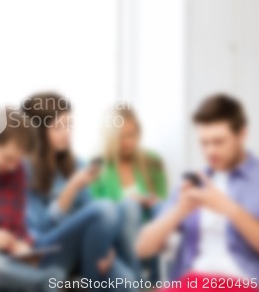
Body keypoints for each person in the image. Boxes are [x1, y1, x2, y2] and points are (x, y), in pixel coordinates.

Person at [136, 94, 259, 291]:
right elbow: (142, 248)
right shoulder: (194, 183)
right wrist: (180, 210)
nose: (210, 151)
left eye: (218, 142)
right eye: (204, 143)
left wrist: (229, 208)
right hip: (192, 282)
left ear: (242, 135)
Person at [21, 93, 135, 292]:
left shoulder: (76, 165)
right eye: (58, 127)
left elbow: (95, 218)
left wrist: (105, 248)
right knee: (105, 209)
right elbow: (39, 231)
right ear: (38, 132)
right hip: (47, 251)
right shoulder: (23, 170)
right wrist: (71, 188)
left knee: (127, 282)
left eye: (69, 125)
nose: (67, 133)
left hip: (85, 249)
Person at [0, 108, 64, 292]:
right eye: (8, 158)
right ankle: (43, 281)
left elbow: (17, 223)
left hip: (8, 254)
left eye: (17, 161)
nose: (13, 167)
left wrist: (23, 246)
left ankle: (38, 279)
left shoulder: (17, 170)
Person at [91, 105, 167, 280]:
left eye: (131, 135)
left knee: (161, 208)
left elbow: (163, 200)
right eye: (120, 137)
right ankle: (138, 281)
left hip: (148, 228)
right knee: (130, 206)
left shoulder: (152, 161)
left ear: (138, 134)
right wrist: (128, 202)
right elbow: (97, 210)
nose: (126, 142)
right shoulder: (97, 166)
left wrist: (149, 200)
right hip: (118, 235)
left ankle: (158, 283)